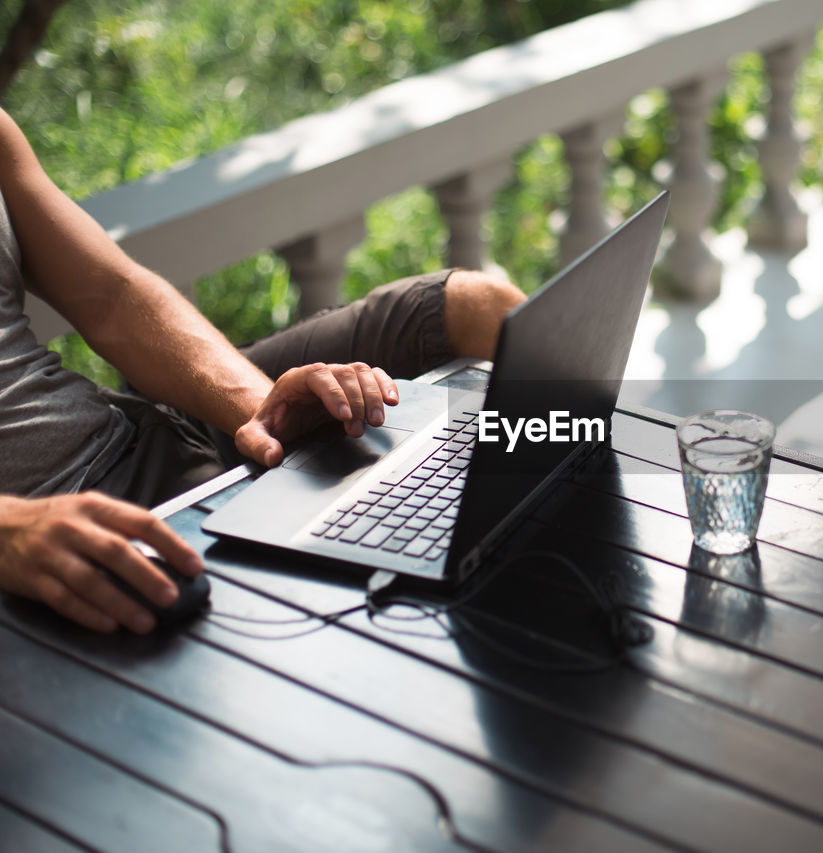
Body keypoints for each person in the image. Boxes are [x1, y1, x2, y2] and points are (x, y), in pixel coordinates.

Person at [0, 107, 525, 635]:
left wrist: (263, 410)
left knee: (476, 309)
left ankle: (601, 488)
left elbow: (111, 297)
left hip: (139, 432)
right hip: (59, 533)